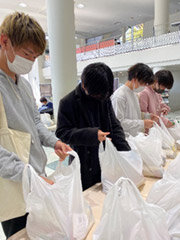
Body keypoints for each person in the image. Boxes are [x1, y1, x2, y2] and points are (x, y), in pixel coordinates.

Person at [0, 12, 71, 238]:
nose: (31, 62)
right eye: (27, 54)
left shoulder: (24, 85)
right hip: (12, 184)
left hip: (37, 177)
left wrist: (54, 141)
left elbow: (35, 122)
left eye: (36, 57)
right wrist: (27, 175)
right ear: (4, 41)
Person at [56, 62, 130, 191]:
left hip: (106, 159)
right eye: (96, 95)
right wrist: (92, 135)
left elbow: (114, 124)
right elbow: (63, 132)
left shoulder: (104, 97)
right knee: (88, 198)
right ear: (84, 85)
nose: (100, 98)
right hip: (84, 162)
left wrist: (125, 153)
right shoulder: (68, 102)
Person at [111, 63, 158, 137]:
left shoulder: (134, 94)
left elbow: (133, 114)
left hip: (135, 138)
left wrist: (147, 116)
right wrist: (143, 123)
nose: (144, 86)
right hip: (125, 139)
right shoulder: (120, 96)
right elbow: (118, 123)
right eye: (143, 83)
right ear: (134, 79)